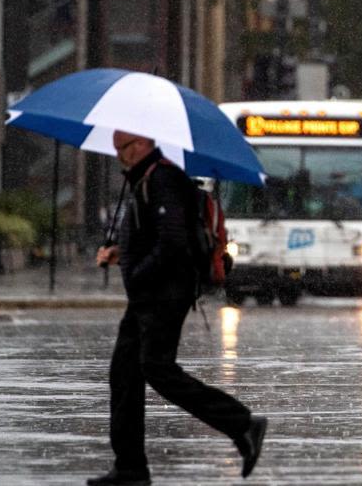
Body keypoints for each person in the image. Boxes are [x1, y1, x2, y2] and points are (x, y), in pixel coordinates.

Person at [90, 131, 266, 485]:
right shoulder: (147, 180)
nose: (120, 157)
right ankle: (129, 468)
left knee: (157, 369)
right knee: (125, 374)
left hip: (163, 294)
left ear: (140, 145)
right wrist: (120, 254)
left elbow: (172, 241)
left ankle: (242, 423)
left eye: (122, 149)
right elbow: (155, 237)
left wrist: (137, 273)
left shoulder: (164, 179)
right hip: (149, 294)